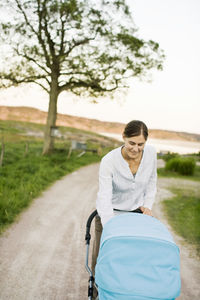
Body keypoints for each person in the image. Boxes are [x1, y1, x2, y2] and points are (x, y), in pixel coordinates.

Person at [92, 120, 157, 283]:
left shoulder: (151, 154)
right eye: (132, 143)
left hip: (136, 214)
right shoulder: (109, 161)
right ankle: (97, 289)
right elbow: (104, 195)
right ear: (123, 137)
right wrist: (110, 226)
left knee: (135, 257)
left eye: (141, 144)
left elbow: (152, 181)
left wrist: (147, 206)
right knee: (102, 257)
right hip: (110, 214)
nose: (136, 149)